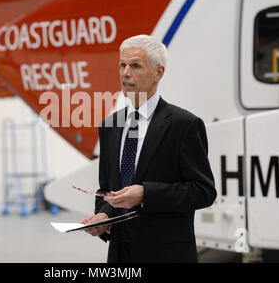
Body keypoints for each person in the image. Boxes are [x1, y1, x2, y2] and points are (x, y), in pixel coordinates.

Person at [80, 34, 217, 263]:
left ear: (158, 72)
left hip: (167, 255)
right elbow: (106, 190)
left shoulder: (184, 125)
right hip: (120, 255)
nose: (125, 73)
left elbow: (203, 191)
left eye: (135, 65)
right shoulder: (109, 127)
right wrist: (103, 217)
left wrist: (146, 194)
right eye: (122, 65)